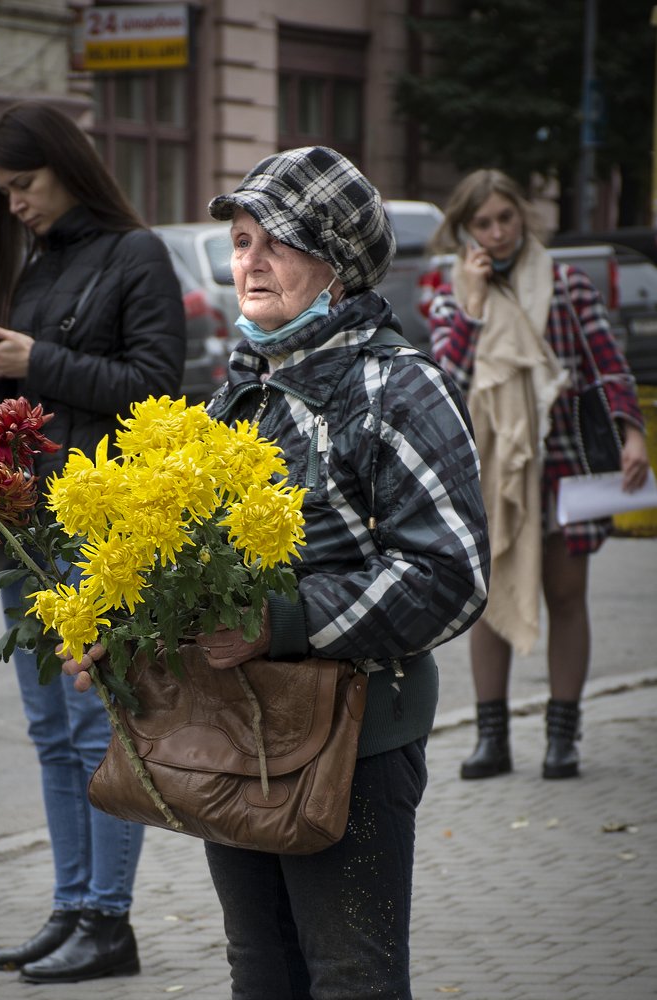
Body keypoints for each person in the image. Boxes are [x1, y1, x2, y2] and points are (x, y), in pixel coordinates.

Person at [64, 146, 490, 999]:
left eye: (276, 243)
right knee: (261, 973)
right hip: (243, 735)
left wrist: (280, 620)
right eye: (242, 240)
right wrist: (120, 631)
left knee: (351, 980)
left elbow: (451, 575)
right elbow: (187, 566)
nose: (249, 262)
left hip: (355, 742)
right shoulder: (240, 392)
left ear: (337, 266)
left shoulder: (396, 389)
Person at [0, 101, 187, 983]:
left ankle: (110, 918)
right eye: (3, 192)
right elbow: (30, 389)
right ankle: (71, 905)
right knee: (52, 731)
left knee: (100, 725)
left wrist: (34, 362)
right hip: (28, 527)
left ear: (67, 165)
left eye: (26, 184)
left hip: (100, 527)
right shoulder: (34, 267)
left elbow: (153, 386)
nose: (14, 204)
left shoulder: (137, 255)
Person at [426, 168, 649, 781]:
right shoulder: (447, 291)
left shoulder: (567, 284)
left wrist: (633, 433)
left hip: (564, 465)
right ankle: (491, 739)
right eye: (484, 223)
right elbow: (449, 383)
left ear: (522, 216)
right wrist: (472, 306)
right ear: (465, 230)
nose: (498, 233)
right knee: (490, 601)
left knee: (567, 595)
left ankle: (563, 737)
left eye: (506, 218)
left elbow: (608, 366)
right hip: (490, 471)